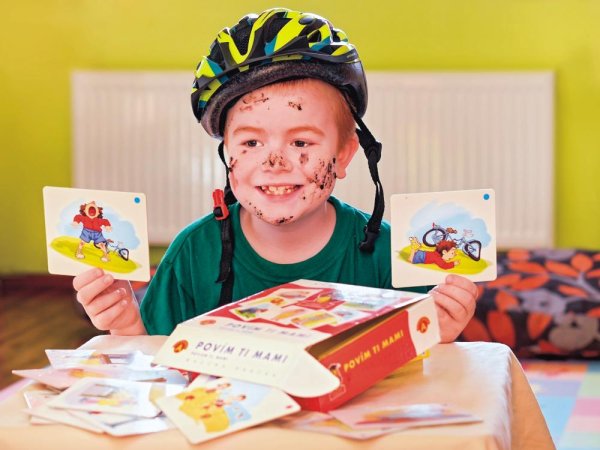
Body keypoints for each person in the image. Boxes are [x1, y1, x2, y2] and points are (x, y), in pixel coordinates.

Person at [73, 7, 478, 343]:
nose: (275, 162)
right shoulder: (193, 253)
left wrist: (440, 334)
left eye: (301, 142)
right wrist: (126, 326)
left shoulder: (389, 257)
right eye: (251, 143)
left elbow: (423, 380)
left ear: (343, 154)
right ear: (227, 153)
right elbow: (154, 364)